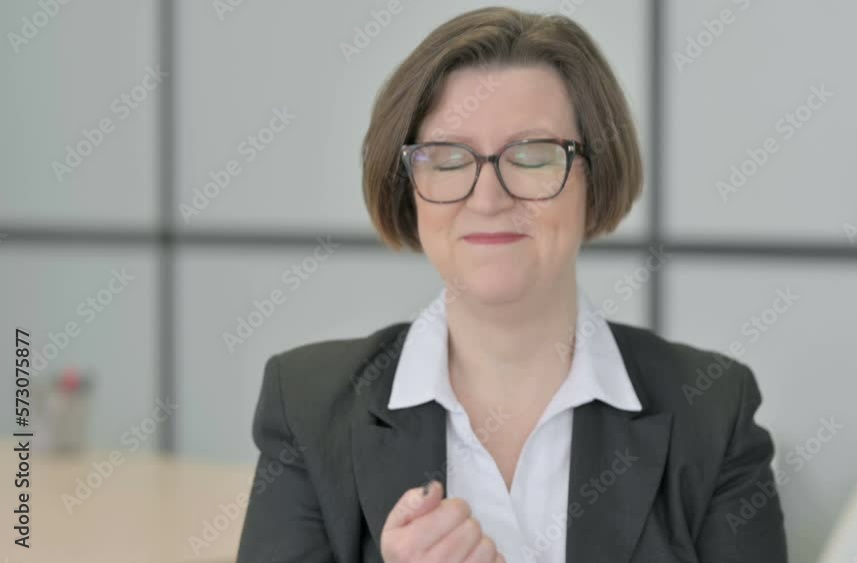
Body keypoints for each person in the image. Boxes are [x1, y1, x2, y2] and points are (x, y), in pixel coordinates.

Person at [236, 7, 787, 563]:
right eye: (448, 159)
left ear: (595, 178)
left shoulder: (714, 411)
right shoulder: (307, 405)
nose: (488, 198)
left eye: (533, 156)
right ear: (407, 186)